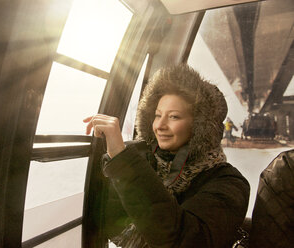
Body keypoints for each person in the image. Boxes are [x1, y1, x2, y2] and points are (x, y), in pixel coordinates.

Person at [84, 64, 250, 247]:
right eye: (157, 115)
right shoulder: (144, 162)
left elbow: (184, 240)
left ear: (200, 125)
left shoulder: (230, 183)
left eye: (174, 117)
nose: (160, 125)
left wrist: (123, 163)